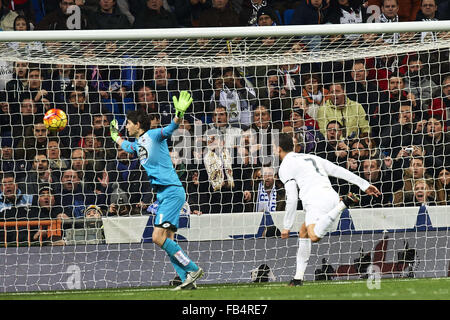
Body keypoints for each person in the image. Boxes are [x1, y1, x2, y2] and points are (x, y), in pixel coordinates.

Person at [109, 91, 203, 290]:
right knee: (168, 238)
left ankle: (193, 268)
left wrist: (179, 114)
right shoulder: (138, 144)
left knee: (156, 237)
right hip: (164, 193)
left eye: (128, 123)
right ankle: (186, 277)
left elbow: (170, 129)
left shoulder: (152, 135)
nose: (126, 125)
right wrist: (114, 136)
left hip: (171, 191)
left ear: (137, 124)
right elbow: (126, 146)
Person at [275, 133, 380, 286]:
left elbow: (291, 197)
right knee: (303, 231)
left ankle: (343, 204)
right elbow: (337, 170)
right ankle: (298, 278)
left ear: (278, 149)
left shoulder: (284, 167)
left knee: (314, 236)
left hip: (315, 200)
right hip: (331, 196)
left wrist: (286, 226)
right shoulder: (310, 157)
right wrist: (364, 184)